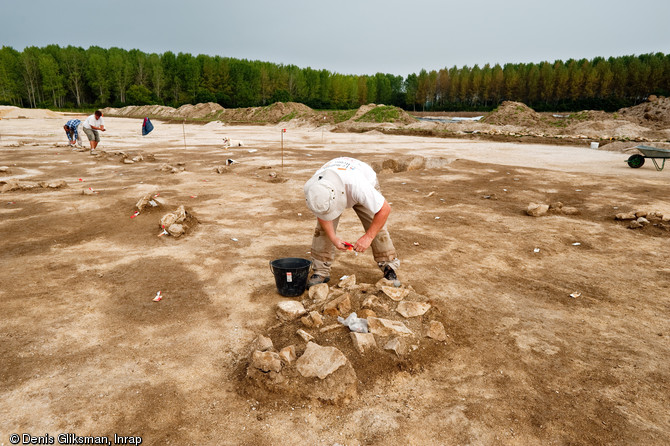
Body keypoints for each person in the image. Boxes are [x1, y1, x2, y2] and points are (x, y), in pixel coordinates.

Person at [303, 157, 401, 288]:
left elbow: (384, 209)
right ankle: (321, 271)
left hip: (360, 179)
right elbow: (322, 214)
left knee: (376, 226)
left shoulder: (359, 187)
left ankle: (389, 267)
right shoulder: (314, 189)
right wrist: (334, 239)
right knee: (322, 230)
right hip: (335, 179)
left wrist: (368, 237)